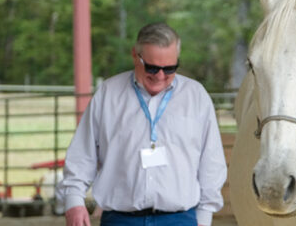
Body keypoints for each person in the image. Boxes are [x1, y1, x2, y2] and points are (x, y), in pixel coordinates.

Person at [59, 23, 226, 226]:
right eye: (152, 68)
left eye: (170, 68)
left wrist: (205, 216)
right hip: (120, 219)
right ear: (135, 55)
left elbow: (211, 162)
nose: (160, 76)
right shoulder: (108, 94)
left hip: (180, 219)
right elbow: (82, 154)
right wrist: (74, 201)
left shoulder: (196, 97)